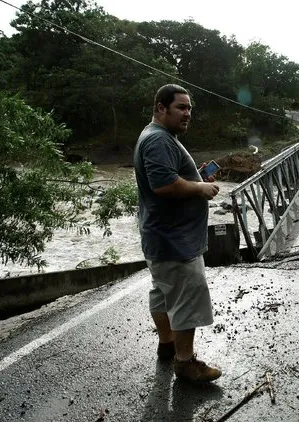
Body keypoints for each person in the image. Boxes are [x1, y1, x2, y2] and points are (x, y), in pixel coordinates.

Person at [133, 84, 222, 383]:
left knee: (162, 293)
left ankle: (167, 345)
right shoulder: (158, 140)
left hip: (161, 237)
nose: (187, 114)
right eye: (181, 108)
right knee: (187, 296)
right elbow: (164, 185)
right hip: (174, 240)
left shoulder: (158, 137)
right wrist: (200, 187)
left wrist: (194, 175)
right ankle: (185, 363)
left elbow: (168, 176)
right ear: (161, 107)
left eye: (189, 108)